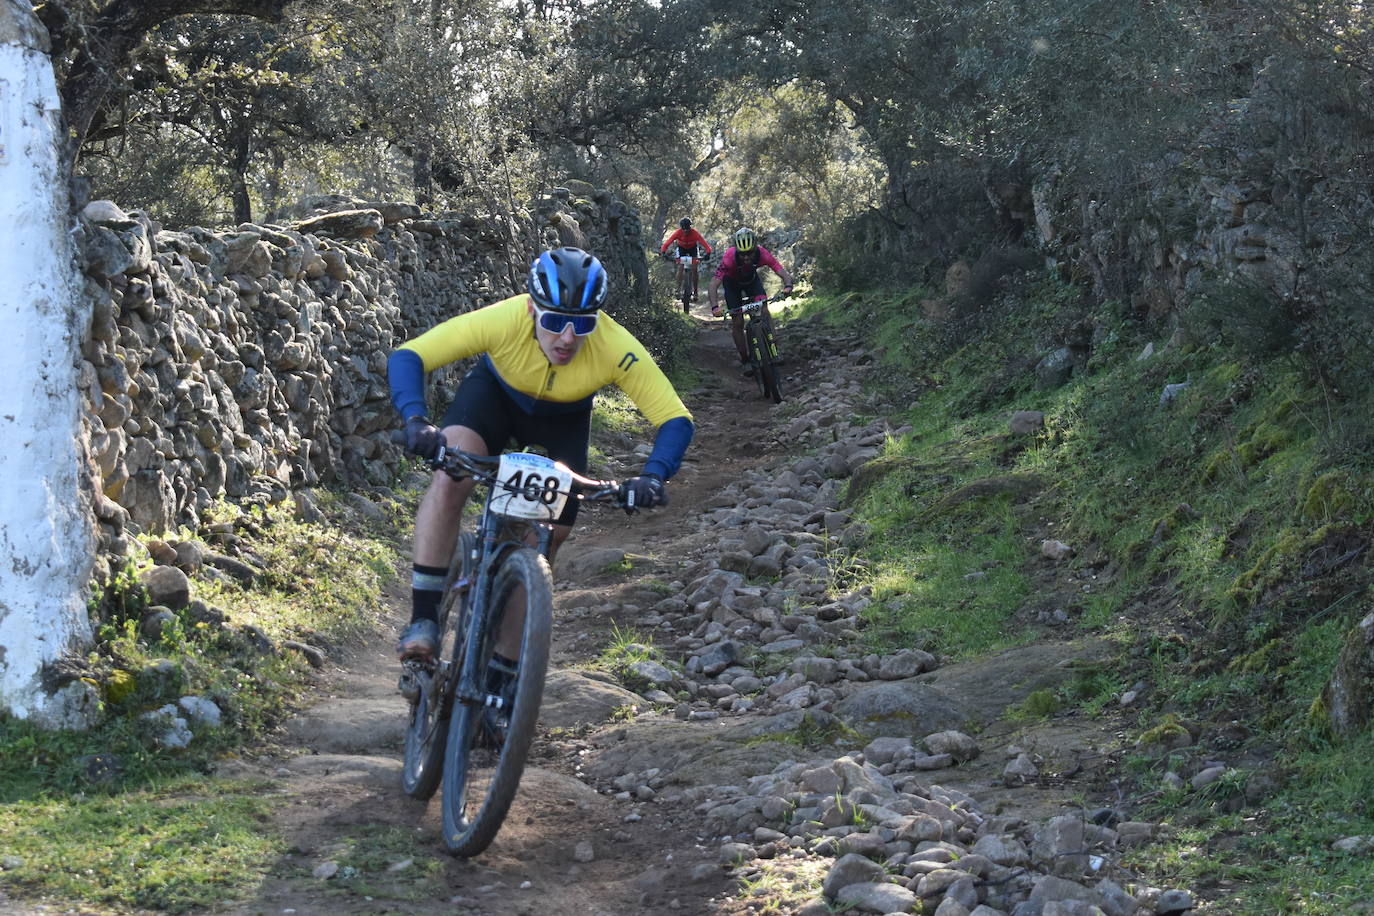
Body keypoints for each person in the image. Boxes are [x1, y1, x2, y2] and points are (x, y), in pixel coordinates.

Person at [387, 247, 695, 663]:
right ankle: (423, 618)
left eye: (582, 325)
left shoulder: (612, 345)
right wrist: (416, 420)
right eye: (554, 322)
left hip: (562, 421)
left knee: (543, 541)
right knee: (451, 475)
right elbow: (411, 355)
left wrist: (654, 475)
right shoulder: (504, 319)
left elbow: (675, 417)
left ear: (597, 321)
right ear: (532, 309)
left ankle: (505, 671)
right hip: (492, 400)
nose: (567, 338)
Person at [707, 227, 795, 373]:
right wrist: (715, 307)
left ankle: (774, 350)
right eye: (742, 254)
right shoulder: (729, 258)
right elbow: (713, 284)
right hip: (732, 285)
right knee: (738, 322)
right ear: (737, 251)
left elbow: (779, 269)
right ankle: (745, 359)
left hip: (752, 283)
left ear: (755, 249)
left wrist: (788, 285)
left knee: (764, 311)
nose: (746, 258)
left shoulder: (762, 254)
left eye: (749, 253)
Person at [659, 217, 713, 310]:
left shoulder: (695, 233)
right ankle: (678, 290)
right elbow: (667, 243)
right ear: (681, 228)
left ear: (690, 228)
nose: (685, 232)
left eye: (687, 230)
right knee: (680, 267)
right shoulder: (678, 232)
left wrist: (708, 253)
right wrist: (663, 252)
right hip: (681, 249)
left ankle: (695, 292)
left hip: (693, 250)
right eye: (683, 230)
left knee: (695, 269)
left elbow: (706, 246)